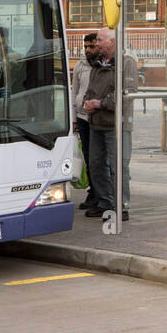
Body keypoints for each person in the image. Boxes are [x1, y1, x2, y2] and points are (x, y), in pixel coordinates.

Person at [81, 28, 135, 220]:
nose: (97, 43)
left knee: (117, 166)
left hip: (116, 126)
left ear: (112, 42)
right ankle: (105, 202)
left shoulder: (126, 63)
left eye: (100, 40)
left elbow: (127, 94)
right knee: (96, 165)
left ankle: (121, 206)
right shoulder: (97, 64)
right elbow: (90, 89)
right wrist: (87, 102)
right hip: (96, 124)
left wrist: (100, 104)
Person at [71, 32, 99, 209]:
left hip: (97, 117)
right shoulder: (80, 65)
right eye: (86, 46)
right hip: (82, 117)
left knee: (98, 157)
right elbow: (75, 92)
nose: (88, 50)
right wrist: (74, 119)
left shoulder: (102, 65)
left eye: (92, 46)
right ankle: (92, 192)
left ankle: (99, 193)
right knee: (88, 156)